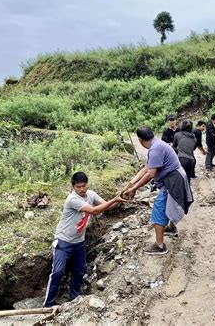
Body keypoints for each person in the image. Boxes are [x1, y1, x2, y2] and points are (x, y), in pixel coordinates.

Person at [43, 172, 125, 307]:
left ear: (87, 184)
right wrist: (114, 199)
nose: (82, 189)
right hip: (63, 241)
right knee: (57, 272)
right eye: (78, 187)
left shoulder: (91, 195)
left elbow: (106, 206)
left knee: (80, 271)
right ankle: (48, 304)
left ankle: (73, 299)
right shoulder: (72, 199)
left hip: (79, 242)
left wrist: (119, 199)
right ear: (73, 187)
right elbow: (93, 211)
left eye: (84, 185)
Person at [122, 127, 193, 255]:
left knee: (159, 209)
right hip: (174, 177)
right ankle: (171, 228)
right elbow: (146, 168)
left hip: (172, 180)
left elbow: (150, 174)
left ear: (140, 140)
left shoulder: (155, 149)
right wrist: (131, 183)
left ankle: (160, 246)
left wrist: (134, 189)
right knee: (170, 204)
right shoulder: (157, 144)